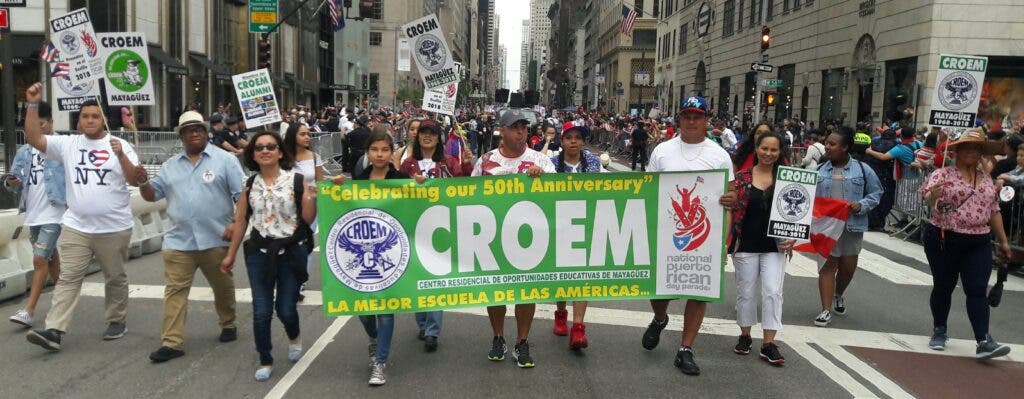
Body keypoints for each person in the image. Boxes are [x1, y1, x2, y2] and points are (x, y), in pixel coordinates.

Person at [21, 83, 143, 352]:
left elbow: (135, 180)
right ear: (79, 121)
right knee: (68, 278)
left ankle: (116, 320)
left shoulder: (119, 144)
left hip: (114, 227)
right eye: (85, 116)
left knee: (114, 277)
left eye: (95, 116)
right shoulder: (68, 144)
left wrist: (122, 155)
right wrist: (31, 104)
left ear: (104, 120)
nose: (89, 120)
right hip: (76, 226)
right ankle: (54, 330)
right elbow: (33, 138)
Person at [137, 111, 245, 363]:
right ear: (181, 136)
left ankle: (228, 322)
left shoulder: (225, 161)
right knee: (175, 291)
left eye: (198, 128)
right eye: (188, 130)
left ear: (206, 132)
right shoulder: (169, 166)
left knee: (223, 287)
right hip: (179, 242)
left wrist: (234, 223)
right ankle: (172, 342)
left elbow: (242, 196)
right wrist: (143, 182)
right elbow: (152, 196)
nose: (194, 133)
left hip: (216, 239)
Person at [643, 96, 737, 376]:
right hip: (666, 230)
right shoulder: (662, 151)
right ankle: (660, 319)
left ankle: (685, 348)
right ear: (680, 118)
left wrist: (724, 240)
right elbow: (649, 190)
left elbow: (729, 194)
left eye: (697, 116)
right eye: (687, 116)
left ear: (706, 119)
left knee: (699, 290)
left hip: (704, 235)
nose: (692, 121)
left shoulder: (719, 154)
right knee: (660, 289)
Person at [220, 131, 317, 381]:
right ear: (253, 154)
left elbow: (307, 219)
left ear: (280, 152)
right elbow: (241, 221)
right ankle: (265, 358)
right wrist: (230, 255)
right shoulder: (250, 184)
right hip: (259, 253)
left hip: (290, 252)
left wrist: (311, 199)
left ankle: (294, 336)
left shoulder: (296, 180)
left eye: (271, 146)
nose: (265, 150)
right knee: (261, 311)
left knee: (285, 309)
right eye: (259, 147)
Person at [473, 109, 556, 369]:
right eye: (515, 127)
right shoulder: (485, 161)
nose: (522, 131)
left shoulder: (541, 162)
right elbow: (468, 197)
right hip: (493, 237)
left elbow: (559, 197)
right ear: (503, 131)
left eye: (524, 127)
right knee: (495, 292)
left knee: (525, 291)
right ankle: (498, 337)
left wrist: (541, 181)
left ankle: (522, 341)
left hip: (529, 238)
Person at [920, 128, 1012, 359]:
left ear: (981, 152)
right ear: (957, 151)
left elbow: (994, 211)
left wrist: (1003, 241)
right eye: (967, 148)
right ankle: (939, 329)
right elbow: (929, 200)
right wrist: (934, 196)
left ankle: (983, 340)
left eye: (976, 148)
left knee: (977, 289)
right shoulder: (943, 175)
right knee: (944, 285)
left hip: (979, 240)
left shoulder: (987, 179)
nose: (971, 152)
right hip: (944, 236)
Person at [397, 120, 473, 353]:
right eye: (423, 133)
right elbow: (396, 191)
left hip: (441, 229)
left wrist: (468, 165)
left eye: (432, 133)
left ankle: (432, 331)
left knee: (436, 279)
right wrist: (410, 183)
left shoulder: (449, 162)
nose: (427, 137)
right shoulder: (408, 165)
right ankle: (422, 322)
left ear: (438, 138)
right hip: (414, 228)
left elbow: (463, 186)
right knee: (419, 278)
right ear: (417, 137)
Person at [357, 130, 420, 386]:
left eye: (384, 150)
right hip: (363, 254)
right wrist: (336, 189)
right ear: (368, 153)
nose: (380, 155)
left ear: (391, 151)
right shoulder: (359, 180)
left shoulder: (400, 179)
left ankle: (380, 363)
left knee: (385, 311)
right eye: (375, 150)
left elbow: (413, 208)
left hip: (391, 254)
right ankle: (374, 338)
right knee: (362, 310)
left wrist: (419, 186)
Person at [728, 131, 793, 366]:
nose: (768, 153)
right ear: (756, 149)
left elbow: (798, 214)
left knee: (773, 292)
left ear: (780, 153)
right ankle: (745, 335)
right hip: (745, 243)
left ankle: (768, 343)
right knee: (745, 292)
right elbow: (729, 209)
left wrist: (793, 238)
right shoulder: (742, 177)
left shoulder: (788, 180)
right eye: (764, 148)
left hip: (775, 246)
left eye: (774, 150)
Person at [813, 126, 883, 327]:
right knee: (827, 267)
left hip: (852, 226)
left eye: (832, 144)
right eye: (827, 142)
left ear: (845, 147)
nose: (827, 146)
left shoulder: (862, 170)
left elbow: (876, 193)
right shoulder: (818, 170)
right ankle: (825, 310)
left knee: (847, 268)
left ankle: (839, 294)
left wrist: (861, 205)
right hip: (825, 227)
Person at [5, 101, 65, 328]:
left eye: (42, 124)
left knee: (39, 259)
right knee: (51, 260)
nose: (38, 130)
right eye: (33, 125)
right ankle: (66, 299)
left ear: (50, 122)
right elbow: (14, 184)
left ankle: (29, 310)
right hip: (33, 213)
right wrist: (11, 181)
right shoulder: (24, 151)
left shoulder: (62, 146)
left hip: (55, 212)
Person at [549, 121, 603, 349]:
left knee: (582, 275)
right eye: (569, 137)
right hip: (558, 226)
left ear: (582, 141)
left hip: (584, 225)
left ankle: (578, 327)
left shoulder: (592, 162)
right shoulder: (551, 163)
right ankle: (560, 313)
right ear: (562, 141)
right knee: (562, 274)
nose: (573, 142)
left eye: (577, 138)